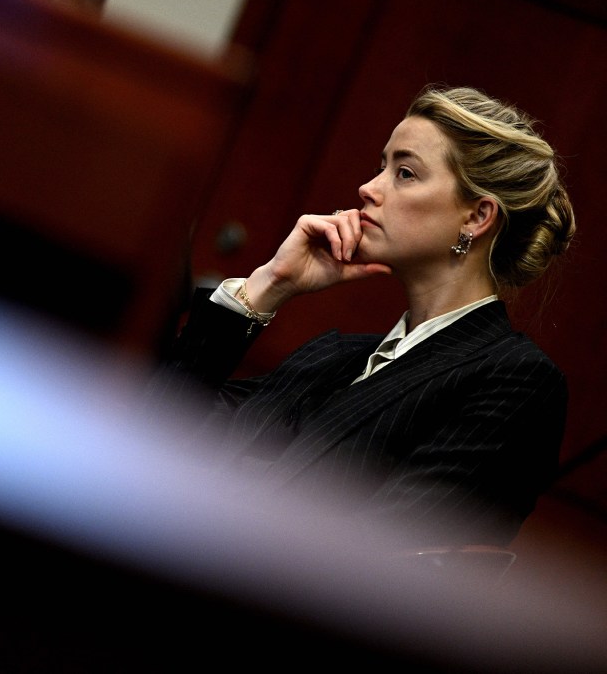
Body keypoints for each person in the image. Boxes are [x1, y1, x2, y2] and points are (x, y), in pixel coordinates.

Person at [150, 85, 576, 550]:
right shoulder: (332, 356)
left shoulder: (515, 380)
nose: (367, 189)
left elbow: (377, 557)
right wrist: (267, 286)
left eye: (405, 172)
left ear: (476, 217)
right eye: (381, 167)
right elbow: (153, 432)